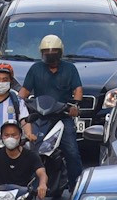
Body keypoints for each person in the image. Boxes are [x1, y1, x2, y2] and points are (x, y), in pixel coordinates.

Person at [22, 35, 85, 187]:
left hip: (62, 117)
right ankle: (25, 185)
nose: (50, 56)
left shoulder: (70, 69)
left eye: (53, 53)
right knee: (29, 150)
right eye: (47, 53)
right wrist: (18, 104)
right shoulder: (35, 69)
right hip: (40, 117)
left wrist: (75, 105)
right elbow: (23, 92)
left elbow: (78, 89)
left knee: (72, 152)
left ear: (60, 53)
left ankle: (75, 186)